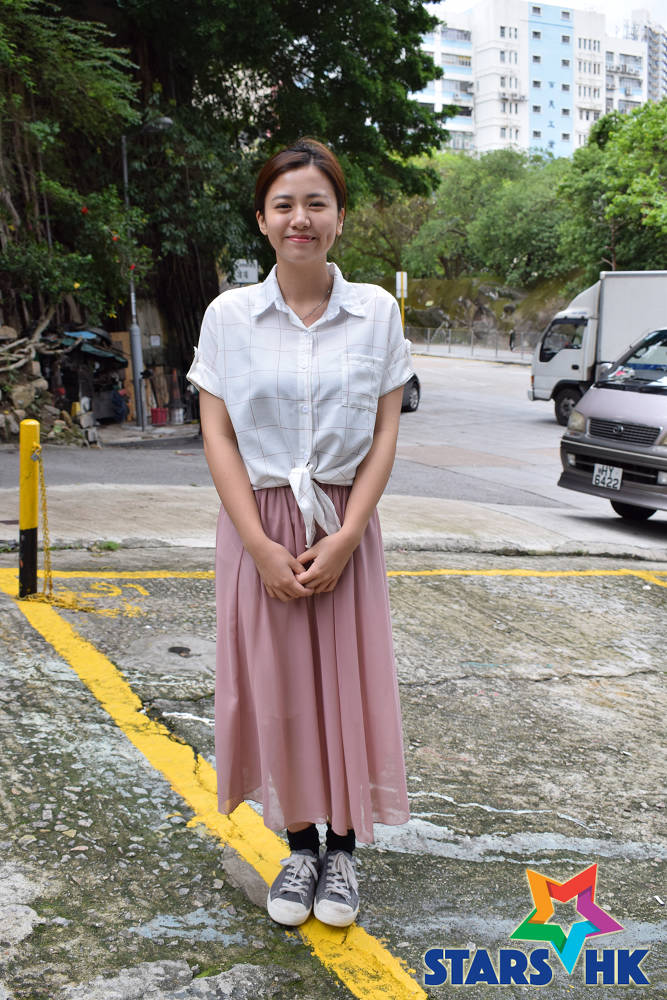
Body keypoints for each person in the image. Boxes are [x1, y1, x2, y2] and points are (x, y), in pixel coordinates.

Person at [187, 138, 412, 929]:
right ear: (261, 219)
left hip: (343, 523)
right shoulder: (229, 316)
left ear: (339, 217)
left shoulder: (376, 312)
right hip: (259, 523)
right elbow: (217, 434)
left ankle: (342, 851)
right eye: (283, 204)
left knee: (345, 683)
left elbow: (384, 433)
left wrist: (348, 535)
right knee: (277, 687)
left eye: (316, 203)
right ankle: (298, 845)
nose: (300, 218)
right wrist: (256, 544)